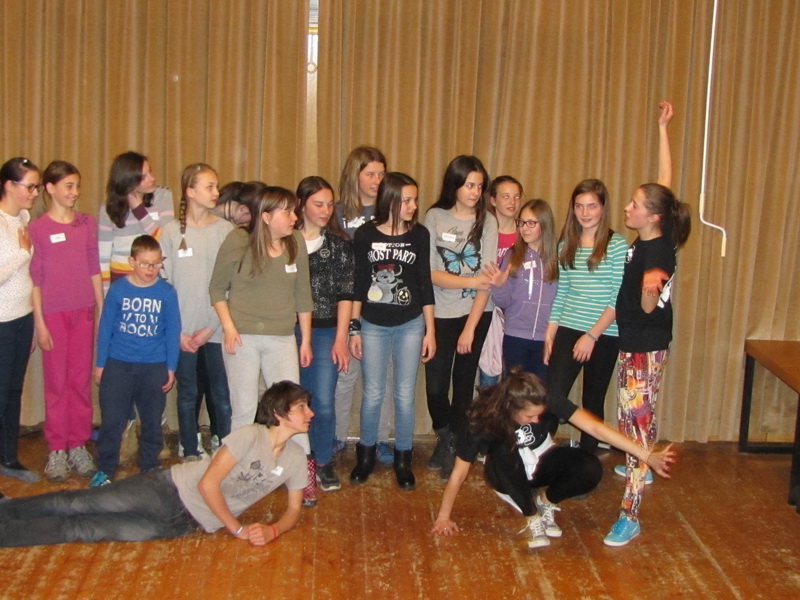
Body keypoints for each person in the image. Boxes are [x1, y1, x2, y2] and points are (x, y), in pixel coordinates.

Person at [0, 380, 311, 547]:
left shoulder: (296, 457)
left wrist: (273, 531)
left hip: (181, 524)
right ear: (279, 413)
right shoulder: (250, 435)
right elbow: (208, 484)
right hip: (165, 490)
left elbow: (294, 510)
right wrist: (238, 528)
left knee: (85, 529)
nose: (310, 413)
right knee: (77, 503)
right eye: (301, 407)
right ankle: (7, 510)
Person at [430, 368, 676, 549]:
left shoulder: (546, 398)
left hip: (540, 463)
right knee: (503, 450)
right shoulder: (482, 420)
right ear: (511, 408)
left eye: (539, 415)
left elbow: (595, 428)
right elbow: (459, 473)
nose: (537, 421)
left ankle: (545, 502)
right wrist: (443, 517)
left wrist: (646, 455)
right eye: (529, 417)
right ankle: (531, 515)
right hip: (506, 474)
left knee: (590, 467)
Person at [604, 101, 691, 546]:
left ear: (651, 216)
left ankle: (630, 513)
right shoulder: (661, 231)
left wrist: (650, 290)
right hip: (642, 342)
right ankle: (640, 462)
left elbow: (649, 306)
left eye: (634, 204)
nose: (627, 207)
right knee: (638, 413)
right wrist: (662, 129)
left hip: (643, 346)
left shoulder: (655, 254)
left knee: (634, 425)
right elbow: (666, 183)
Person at [209, 185, 315, 504]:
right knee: (243, 410)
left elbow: (303, 296)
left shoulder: (296, 242)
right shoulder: (238, 241)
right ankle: (237, 476)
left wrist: (305, 340)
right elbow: (217, 289)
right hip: (242, 336)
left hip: (282, 336)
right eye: (288, 212)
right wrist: (229, 328)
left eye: (295, 211)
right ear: (266, 217)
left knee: (294, 411)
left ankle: (303, 478)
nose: (295, 217)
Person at [348, 172, 436, 489]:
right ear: (390, 200)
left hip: (410, 324)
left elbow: (425, 284)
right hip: (372, 324)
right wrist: (354, 329)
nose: (413, 206)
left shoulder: (419, 235)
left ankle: (403, 458)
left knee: (404, 394)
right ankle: (366, 455)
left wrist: (430, 331)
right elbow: (358, 284)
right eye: (407, 200)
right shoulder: (365, 235)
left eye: (415, 199)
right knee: (373, 393)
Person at [424, 155, 498, 480]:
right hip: (441, 313)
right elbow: (431, 273)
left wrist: (470, 327)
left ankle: (454, 443)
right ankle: (444, 432)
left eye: (480, 186)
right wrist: (470, 281)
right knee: (436, 386)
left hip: (477, 314)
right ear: (454, 184)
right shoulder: (435, 217)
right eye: (469, 185)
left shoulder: (488, 221)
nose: (475, 192)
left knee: (464, 385)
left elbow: (488, 281)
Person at [29, 161, 103, 482]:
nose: (75, 192)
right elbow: (35, 279)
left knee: (80, 382)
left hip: (83, 312)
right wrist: (40, 324)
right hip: (53, 316)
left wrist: (101, 310)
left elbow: (93, 267)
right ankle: (57, 448)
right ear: (50, 188)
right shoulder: (38, 228)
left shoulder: (86, 223)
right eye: (69, 186)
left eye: (77, 186)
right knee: (57, 383)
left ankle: (78, 444)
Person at [544, 177, 628, 454]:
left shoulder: (617, 245)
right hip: (569, 326)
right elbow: (562, 292)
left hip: (604, 333)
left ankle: (587, 459)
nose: (585, 212)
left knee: (593, 399)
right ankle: (540, 453)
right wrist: (550, 332)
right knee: (552, 396)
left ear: (603, 208)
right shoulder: (565, 244)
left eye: (592, 206)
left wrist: (592, 335)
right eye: (579, 206)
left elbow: (618, 298)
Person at [92, 235, 181, 486]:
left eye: (156, 264)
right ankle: (105, 469)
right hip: (118, 364)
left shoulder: (166, 292)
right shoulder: (118, 290)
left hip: (154, 366)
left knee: (152, 422)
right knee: (112, 421)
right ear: (132, 262)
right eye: (145, 264)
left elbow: (172, 330)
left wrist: (171, 367)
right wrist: (100, 364)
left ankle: (149, 469)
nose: (151, 270)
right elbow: (106, 327)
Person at [161, 164, 234, 462]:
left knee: (221, 394)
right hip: (183, 331)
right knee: (188, 392)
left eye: (217, 186)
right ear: (190, 192)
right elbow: (163, 285)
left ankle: (225, 445)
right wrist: (176, 331)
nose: (216, 192)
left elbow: (231, 285)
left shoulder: (226, 231)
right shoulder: (169, 232)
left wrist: (213, 326)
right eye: (209, 187)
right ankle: (189, 446)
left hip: (216, 328)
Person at [332, 146, 396, 465]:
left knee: (381, 378)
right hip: (346, 304)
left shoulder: (391, 212)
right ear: (354, 176)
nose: (377, 180)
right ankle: (336, 435)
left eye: (381, 174)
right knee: (345, 375)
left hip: (382, 306)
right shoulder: (337, 212)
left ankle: (381, 439)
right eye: (370, 174)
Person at [294, 176, 354, 493]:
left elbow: (346, 295)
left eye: (330, 205)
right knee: (289, 401)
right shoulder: (285, 243)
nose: (325, 210)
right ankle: (295, 461)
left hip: (325, 330)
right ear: (301, 204)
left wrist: (341, 338)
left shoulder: (339, 246)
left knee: (323, 402)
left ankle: (323, 460)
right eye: (318, 204)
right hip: (285, 330)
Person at [485, 199, 559, 381]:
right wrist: (499, 285)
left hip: (545, 338)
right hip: (515, 336)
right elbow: (502, 302)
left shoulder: (558, 259)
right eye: (521, 222)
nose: (524, 228)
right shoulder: (513, 256)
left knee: (539, 392)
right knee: (513, 391)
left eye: (531, 223)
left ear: (544, 224)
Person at [0, 157, 41, 484]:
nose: (35, 193)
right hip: (1, 321)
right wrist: (22, 255)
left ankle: (8, 458)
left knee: (13, 391)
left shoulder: (24, 219)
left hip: (22, 318)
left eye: (36, 187)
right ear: (9, 185)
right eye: (30, 187)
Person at [98, 151, 174, 292]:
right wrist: (106, 294)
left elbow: (166, 241)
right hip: (121, 280)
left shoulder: (163, 196)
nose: (152, 178)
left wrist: (140, 211)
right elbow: (103, 258)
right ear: (128, 180)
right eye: (143, 177)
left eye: (150, 171)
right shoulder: (108, 208)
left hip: (153, 277)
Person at [478, 176, 523, 387]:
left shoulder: (525, 233)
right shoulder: (482, 231)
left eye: (516, 197)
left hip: (514, 314)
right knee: (488, 373)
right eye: (506, 196)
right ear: (493, 200)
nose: (512, 202)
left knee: (511, 375)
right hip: (485, 307)